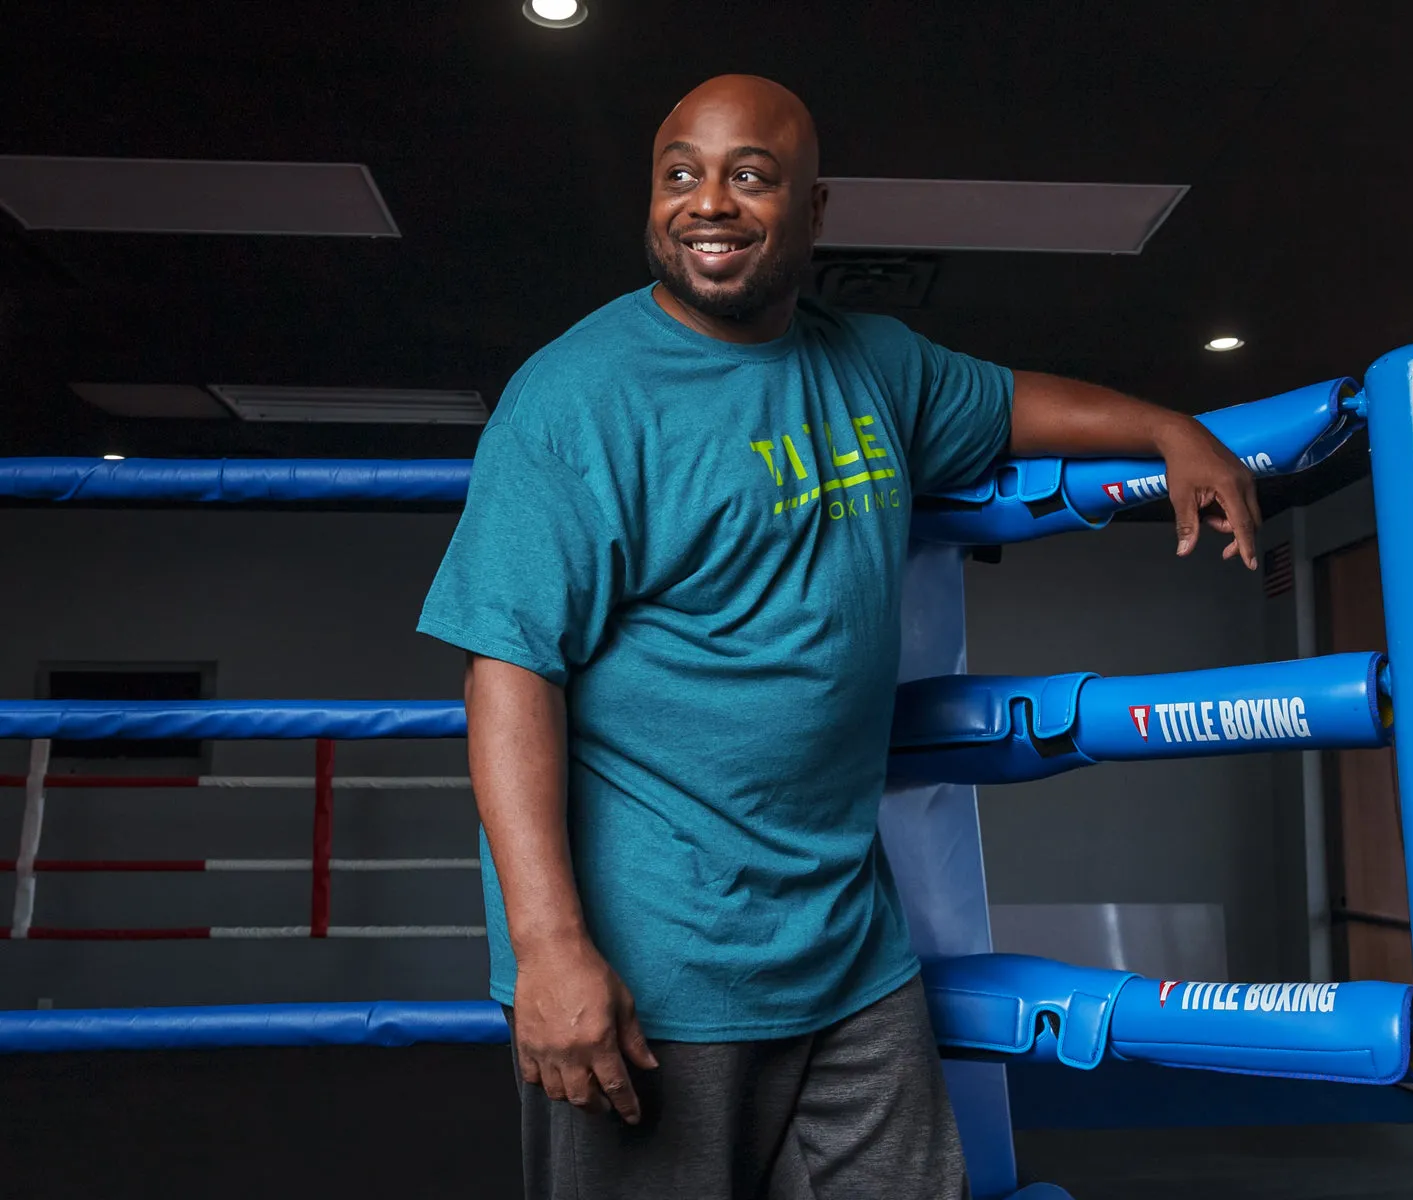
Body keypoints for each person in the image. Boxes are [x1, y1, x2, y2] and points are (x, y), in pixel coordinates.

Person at [418, 74, 1260, 1200]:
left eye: (750, 176)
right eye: (680, 174)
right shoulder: (577, 397)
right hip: (655, 965)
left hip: (848, 949)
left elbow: (1011, 403)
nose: (708, 203)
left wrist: (1166, 427)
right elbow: (509, 672)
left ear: (814, 210)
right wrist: (550, 951)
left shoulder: (871, 363)